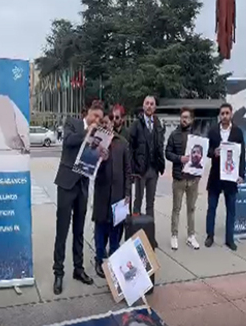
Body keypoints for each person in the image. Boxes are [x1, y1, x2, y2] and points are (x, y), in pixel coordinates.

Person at [52, 101, 105, 295]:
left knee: (79, 230)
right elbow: (68, 141)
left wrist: (102, 154)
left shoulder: (99, 134)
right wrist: (88, 131)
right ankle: (58, 272)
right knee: (62, 231)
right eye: (95, 116)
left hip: (83, 185)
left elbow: (92, 158)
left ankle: (78, 268)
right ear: (88, 113)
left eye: (100, 118)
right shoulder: (72, 123)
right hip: (66, 183)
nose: (97, 120)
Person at [92, 114, 130, 278]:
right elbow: (89, 169)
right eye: (103, 123)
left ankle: (114, 260)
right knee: (100, 230)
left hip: (118, 195)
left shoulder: (122, 143)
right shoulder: (95, 144)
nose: (106, 126)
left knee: (116, 231)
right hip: (101, 194)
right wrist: (101, 159)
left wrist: (128, 192)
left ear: (113, 125)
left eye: (108, 123)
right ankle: (100, 259)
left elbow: (128, 171)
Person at [205, 103, 246, 251]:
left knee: (231, 209)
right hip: (216, 175)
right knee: (211, 208)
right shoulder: (213, 131)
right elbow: (206, 150)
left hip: (231, 176)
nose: (224, 116)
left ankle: (230, 239)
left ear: (231, 114)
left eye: (227, 113)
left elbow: (242, 155)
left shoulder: (237, 132)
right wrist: (212, 152)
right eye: (222, 113)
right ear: (219, 115)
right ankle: (210, 236)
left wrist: (241, 174)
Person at [129, 96, 165, 244]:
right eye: (147, 103)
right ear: (143, 106)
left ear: (155, 107)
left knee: (151, 203)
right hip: (140, 170)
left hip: (153, 169)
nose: (149, 106)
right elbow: (130, 148)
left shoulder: (158, 124)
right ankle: (135, 235)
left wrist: (161, 164)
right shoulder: (136, 124)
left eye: (152, 104)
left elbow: (160, 145)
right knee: (137, 201)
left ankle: (150, 236)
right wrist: (134, 168)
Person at [165, 107, 200, 251]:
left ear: (191, 119)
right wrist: (179, 158)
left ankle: (191, 236)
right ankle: (174, 235)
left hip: (193, 179)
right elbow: (168, 153)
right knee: (176, 208)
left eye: (186, 117)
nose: (184, 119)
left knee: (191, 208)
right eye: (182, 117)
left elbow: (202, 154)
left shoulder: (197, 136)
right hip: (179, 178)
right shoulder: (174, 135)